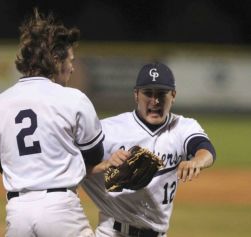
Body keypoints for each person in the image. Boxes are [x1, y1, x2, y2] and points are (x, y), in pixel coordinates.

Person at [0, 9, 105, 237]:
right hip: (60, 208)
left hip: (17, 211)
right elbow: (94, 155)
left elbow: (3, 163)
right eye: (70, 60)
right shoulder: (73, 99)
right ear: (56, 61)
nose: (73, 67)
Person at [82, 62, 216, 237]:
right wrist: (104, 166)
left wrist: (197, 161)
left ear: (173, 95)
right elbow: (71, 167)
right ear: (136, 95)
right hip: (113, 232)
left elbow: (205, 148)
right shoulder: (108, 130)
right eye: (148, 93)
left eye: (161, 94)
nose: (155, 101)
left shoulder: (183, 127)